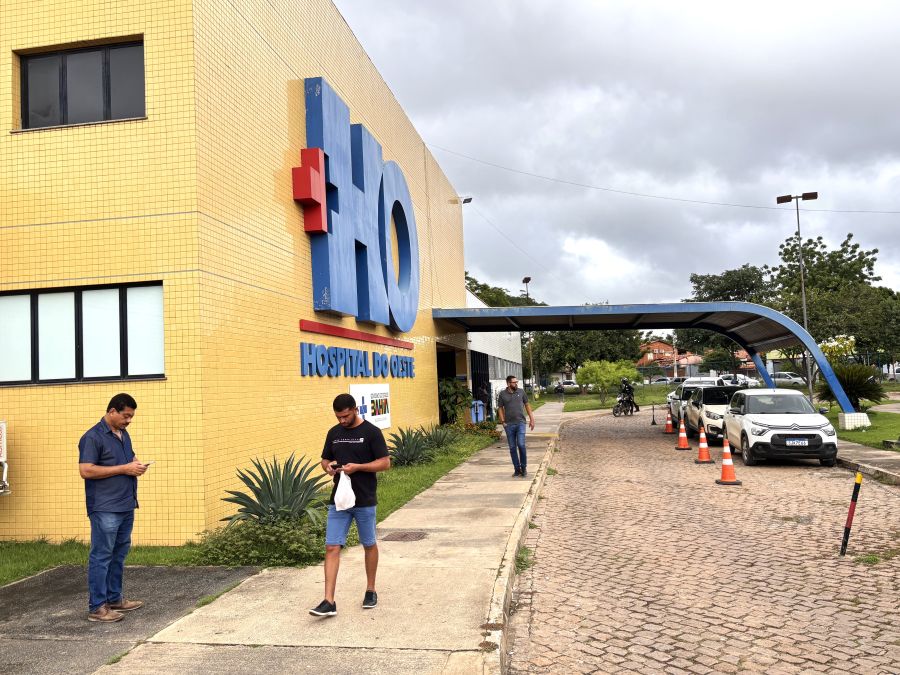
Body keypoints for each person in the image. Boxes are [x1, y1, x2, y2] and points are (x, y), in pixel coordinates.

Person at [310, 393, 391, 618]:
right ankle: (328, 601)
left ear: (355, 409)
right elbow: (324, 459)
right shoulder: (334, 433)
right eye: (338, 417)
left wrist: (358, 467)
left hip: (364, 499)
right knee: (331, 547)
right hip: (339, 500)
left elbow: (385, 463)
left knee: (368, 544)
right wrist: (327, 467)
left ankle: (371, 589)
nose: (342, 421)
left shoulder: (371, 432)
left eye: (345, 416)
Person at [78, 393, 148, 623]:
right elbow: (86, 470)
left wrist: (137, 465)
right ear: (112, 412)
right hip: (105, 506)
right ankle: (97, 607)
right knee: (102, 555)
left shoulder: (123, 435)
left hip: (126, 503)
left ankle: (114, 598)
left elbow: (129, 459)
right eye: (126, 416)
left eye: (131, 417)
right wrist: (124, 469)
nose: (129, 421)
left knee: (119, 553)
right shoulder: (92, 437)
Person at [497, 375, 535, 478]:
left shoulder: (521, 392)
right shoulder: (502, 394)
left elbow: (527, 405)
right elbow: (500, 408)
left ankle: (524, 468)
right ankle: (517, 469)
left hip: (520, 423)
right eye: (514, 382)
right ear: (508, 383)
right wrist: (503, 421)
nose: (516, 384)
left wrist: (532, 419)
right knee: (512, 448)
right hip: (508, 425)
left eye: (516, 382)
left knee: (521, 445)